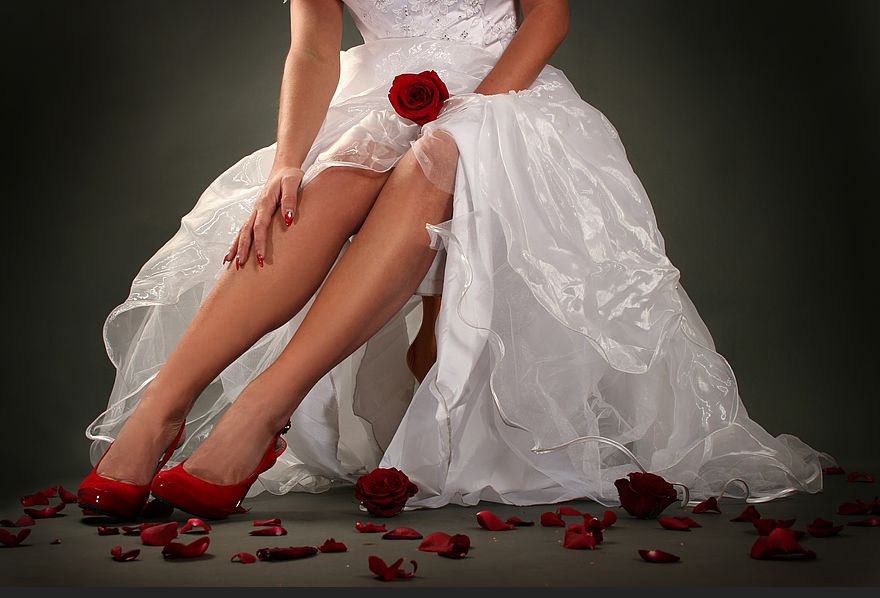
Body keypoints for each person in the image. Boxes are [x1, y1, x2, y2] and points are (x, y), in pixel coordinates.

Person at [80, 0, 834, 520]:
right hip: (377, 89)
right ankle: (162, 410)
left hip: (504, 92)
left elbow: (548, 16)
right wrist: (286, 160)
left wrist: (476, 111)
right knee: (318, 183)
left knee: (437, 157)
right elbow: (312, 44)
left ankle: (259, 412)